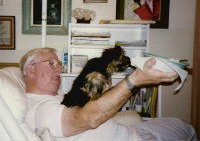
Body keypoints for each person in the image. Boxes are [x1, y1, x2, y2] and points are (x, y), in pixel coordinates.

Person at [19, 47, 196, 141]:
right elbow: (88, 118)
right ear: (31, 70)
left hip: (131, 131)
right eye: (51, 63)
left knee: (183, 125)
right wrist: (135, 80)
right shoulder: (38, 109)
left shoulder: (60, 94)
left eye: (59, 64)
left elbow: (95, 106)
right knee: (189, 131)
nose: (59, 68)